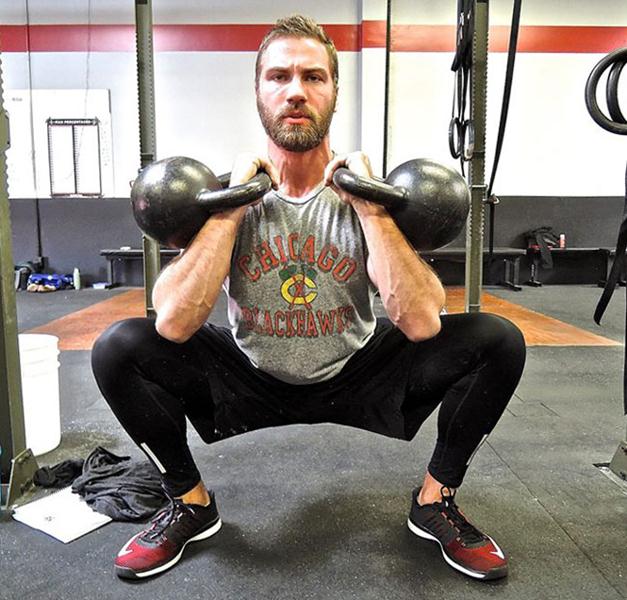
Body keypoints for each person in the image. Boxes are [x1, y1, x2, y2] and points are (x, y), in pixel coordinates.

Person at [92, 15, 526, 582]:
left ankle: (435, 500)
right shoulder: (229, 200)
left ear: (334, 93)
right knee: (118, 346)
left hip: (358, 372)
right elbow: (172, 323)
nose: (296, 91)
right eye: (279, 76)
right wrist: (230, 207)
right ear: (259, 92)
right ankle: (190, 503)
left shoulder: (367, 202)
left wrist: (370, 205)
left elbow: (422, 323)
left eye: (313, 77)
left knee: (497, 340)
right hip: (250, 377)